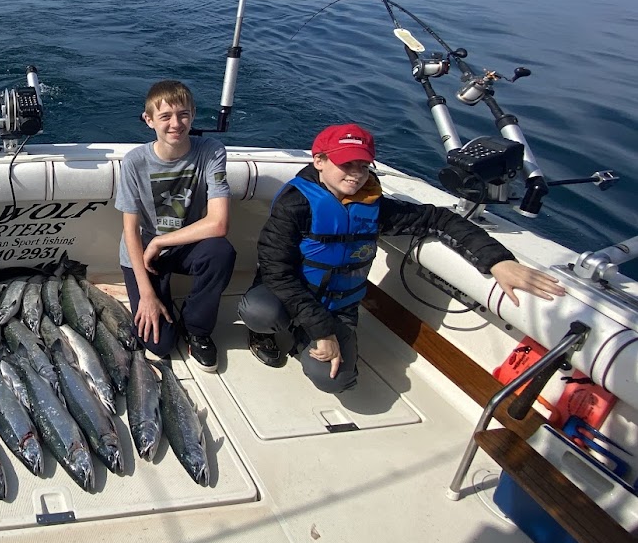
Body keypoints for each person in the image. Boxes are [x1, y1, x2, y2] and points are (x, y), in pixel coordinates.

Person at [238, 123, 567, 393]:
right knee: (259, 311)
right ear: (320, 160)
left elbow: (438, 219)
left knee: (337, 381)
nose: (355, 174)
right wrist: (321, 331)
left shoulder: (376, 207)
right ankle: (270, 332)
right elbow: (276, 270)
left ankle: (303, 338)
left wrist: (497, 260)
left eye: (363, 166)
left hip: (337, 304)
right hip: (289, 293)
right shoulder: (294, 205)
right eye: (345, 164)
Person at [116, 80, 236, 371]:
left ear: (193, 114)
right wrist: (146, 294)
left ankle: (197, 327)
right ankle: (150, 295)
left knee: (221, 252)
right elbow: (131, 231)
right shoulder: (134, 162)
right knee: (160, 344)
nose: (176, 123)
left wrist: (161, 241)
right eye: (165, 116)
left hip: (181, 245)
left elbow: (219, 223)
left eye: (183, 114)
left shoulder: (211, 151)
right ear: (149, 120)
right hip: (143, 253)